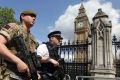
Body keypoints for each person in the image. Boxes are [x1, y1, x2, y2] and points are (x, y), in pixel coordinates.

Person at [0, 10, 39, 80]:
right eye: (31, 16)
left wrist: (34, 72)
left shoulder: (32, 38)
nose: (34, 18)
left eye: (35, 17)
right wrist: (18, 61)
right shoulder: (14, 27)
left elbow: (32, 59)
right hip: (10, 74)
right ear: (22, 16)